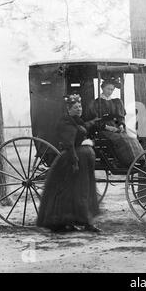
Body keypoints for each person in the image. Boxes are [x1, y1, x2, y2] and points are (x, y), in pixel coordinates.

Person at [37, 94, 101, 233]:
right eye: (76, 107)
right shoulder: (65, 122)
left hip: (82, 160)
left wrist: (93, 123)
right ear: (69, 109)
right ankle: (80, 223)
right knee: (77, 192)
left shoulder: (76, 120)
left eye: (80, 106)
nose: (79, 109)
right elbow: (69, 144)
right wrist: (75, 162)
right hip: (72, 161)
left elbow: (81, 130)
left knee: (81, 191)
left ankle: (81, 221)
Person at [85, 77, 143, 167]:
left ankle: (139, 159)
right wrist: (108, 128)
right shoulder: (96, 103)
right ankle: (127, 162)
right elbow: (95, 121)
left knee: (131, 138)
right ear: (102, 88)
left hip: (116, 127)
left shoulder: (116, 102)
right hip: (103, 129)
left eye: (112, 89)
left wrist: (121, 125)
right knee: (121, 139)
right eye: (108, 89)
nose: (110, 91)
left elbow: (120, 117)